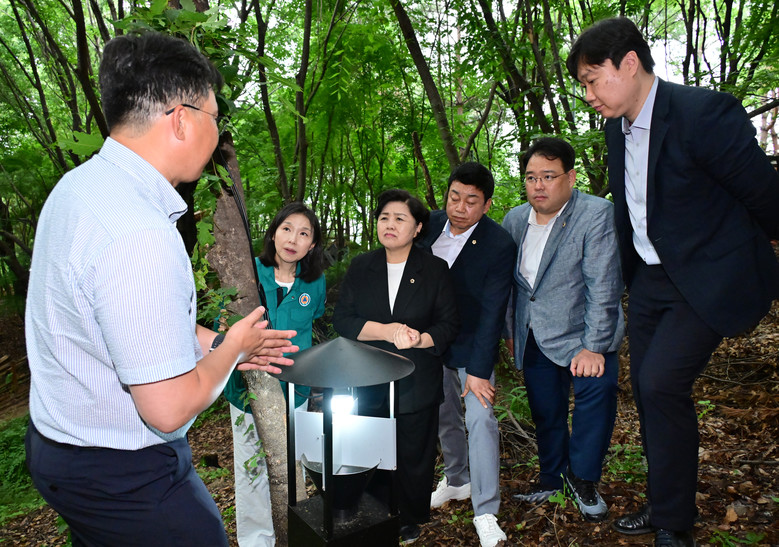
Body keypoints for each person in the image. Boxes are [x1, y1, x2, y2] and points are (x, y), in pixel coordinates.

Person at [24, 32, 297, 547]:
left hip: (61, 451)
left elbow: (125, 326)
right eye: (215, 117)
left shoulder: (79, 188)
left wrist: (221, 345)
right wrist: (234, 348)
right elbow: (168, 407)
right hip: (124, 476)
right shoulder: (140, 234)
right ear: (181, 120)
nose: (218, 133)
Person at [566, 17, 779, 547]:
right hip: (650, 280)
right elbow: (633, 207)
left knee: (661, 383)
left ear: (629, 63)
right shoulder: (615, 129)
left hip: (704, 279)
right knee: (648, 389)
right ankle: (666, 505)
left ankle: (675, 525)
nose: (588, 94)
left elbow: (765, 195)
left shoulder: (701, 113)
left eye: (592, 79)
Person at [502, 137, 624, 523]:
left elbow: (603, 284)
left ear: (570, 177)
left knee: (595, 402)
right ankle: (552, 480)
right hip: (534, 334)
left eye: (548, 176)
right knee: (546, 412)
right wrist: (511, 332)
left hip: (583, 333)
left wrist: (594, 346)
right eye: (531, 177)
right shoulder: (514, 219)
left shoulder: (596, 213)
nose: (538, 185)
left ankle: (583, 480)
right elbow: (509, 285)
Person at [333, 189, 460, 545]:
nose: (390, 224)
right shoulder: (362, 266)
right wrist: (386, 331)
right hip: (367, 377)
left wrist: (420, 339)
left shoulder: (434, 269)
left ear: (418, 228)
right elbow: (343, 319)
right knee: (368, 450)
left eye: (400, 218)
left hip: (416, 377)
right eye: (384, 217)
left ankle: (408, 517)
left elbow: (449, 324)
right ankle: (373, 513)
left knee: (413, 453)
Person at [419, 162, 515, 547]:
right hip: (429, 342)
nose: (460, 208)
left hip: (473, 344)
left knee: (480, 418)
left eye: (471, 201)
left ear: (487, 205)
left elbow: (494, 312)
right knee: (442, 413)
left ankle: (486, 509)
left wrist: (478, 369)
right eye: (454, 197)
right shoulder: (427, 224)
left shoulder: (498, 244)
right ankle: (457, 479)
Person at [223, 203, 326, 546]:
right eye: (287, 229)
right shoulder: (249, 272)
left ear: (312, 244)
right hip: (249, 390)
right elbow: (223, 324)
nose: (293, 239)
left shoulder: (315, 282)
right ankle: (257, 540)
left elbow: (313, 319)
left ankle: (292, 534)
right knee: (251, 470)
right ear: (273, 233)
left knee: (289, 467)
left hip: (295, 391)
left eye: (304, 233)